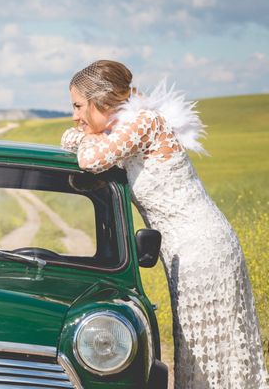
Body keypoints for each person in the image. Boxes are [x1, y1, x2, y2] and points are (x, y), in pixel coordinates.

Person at [61, 60, 268, 388]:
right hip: (183, 256)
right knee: (193, 352)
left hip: (203, 252)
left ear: (101, 100)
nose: (74, 116)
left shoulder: (145, 122)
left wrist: (79, 137)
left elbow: (88, 158)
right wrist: (82, 134)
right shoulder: (126, 131)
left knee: (210, 356)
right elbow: (79, 143)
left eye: (77, 106)